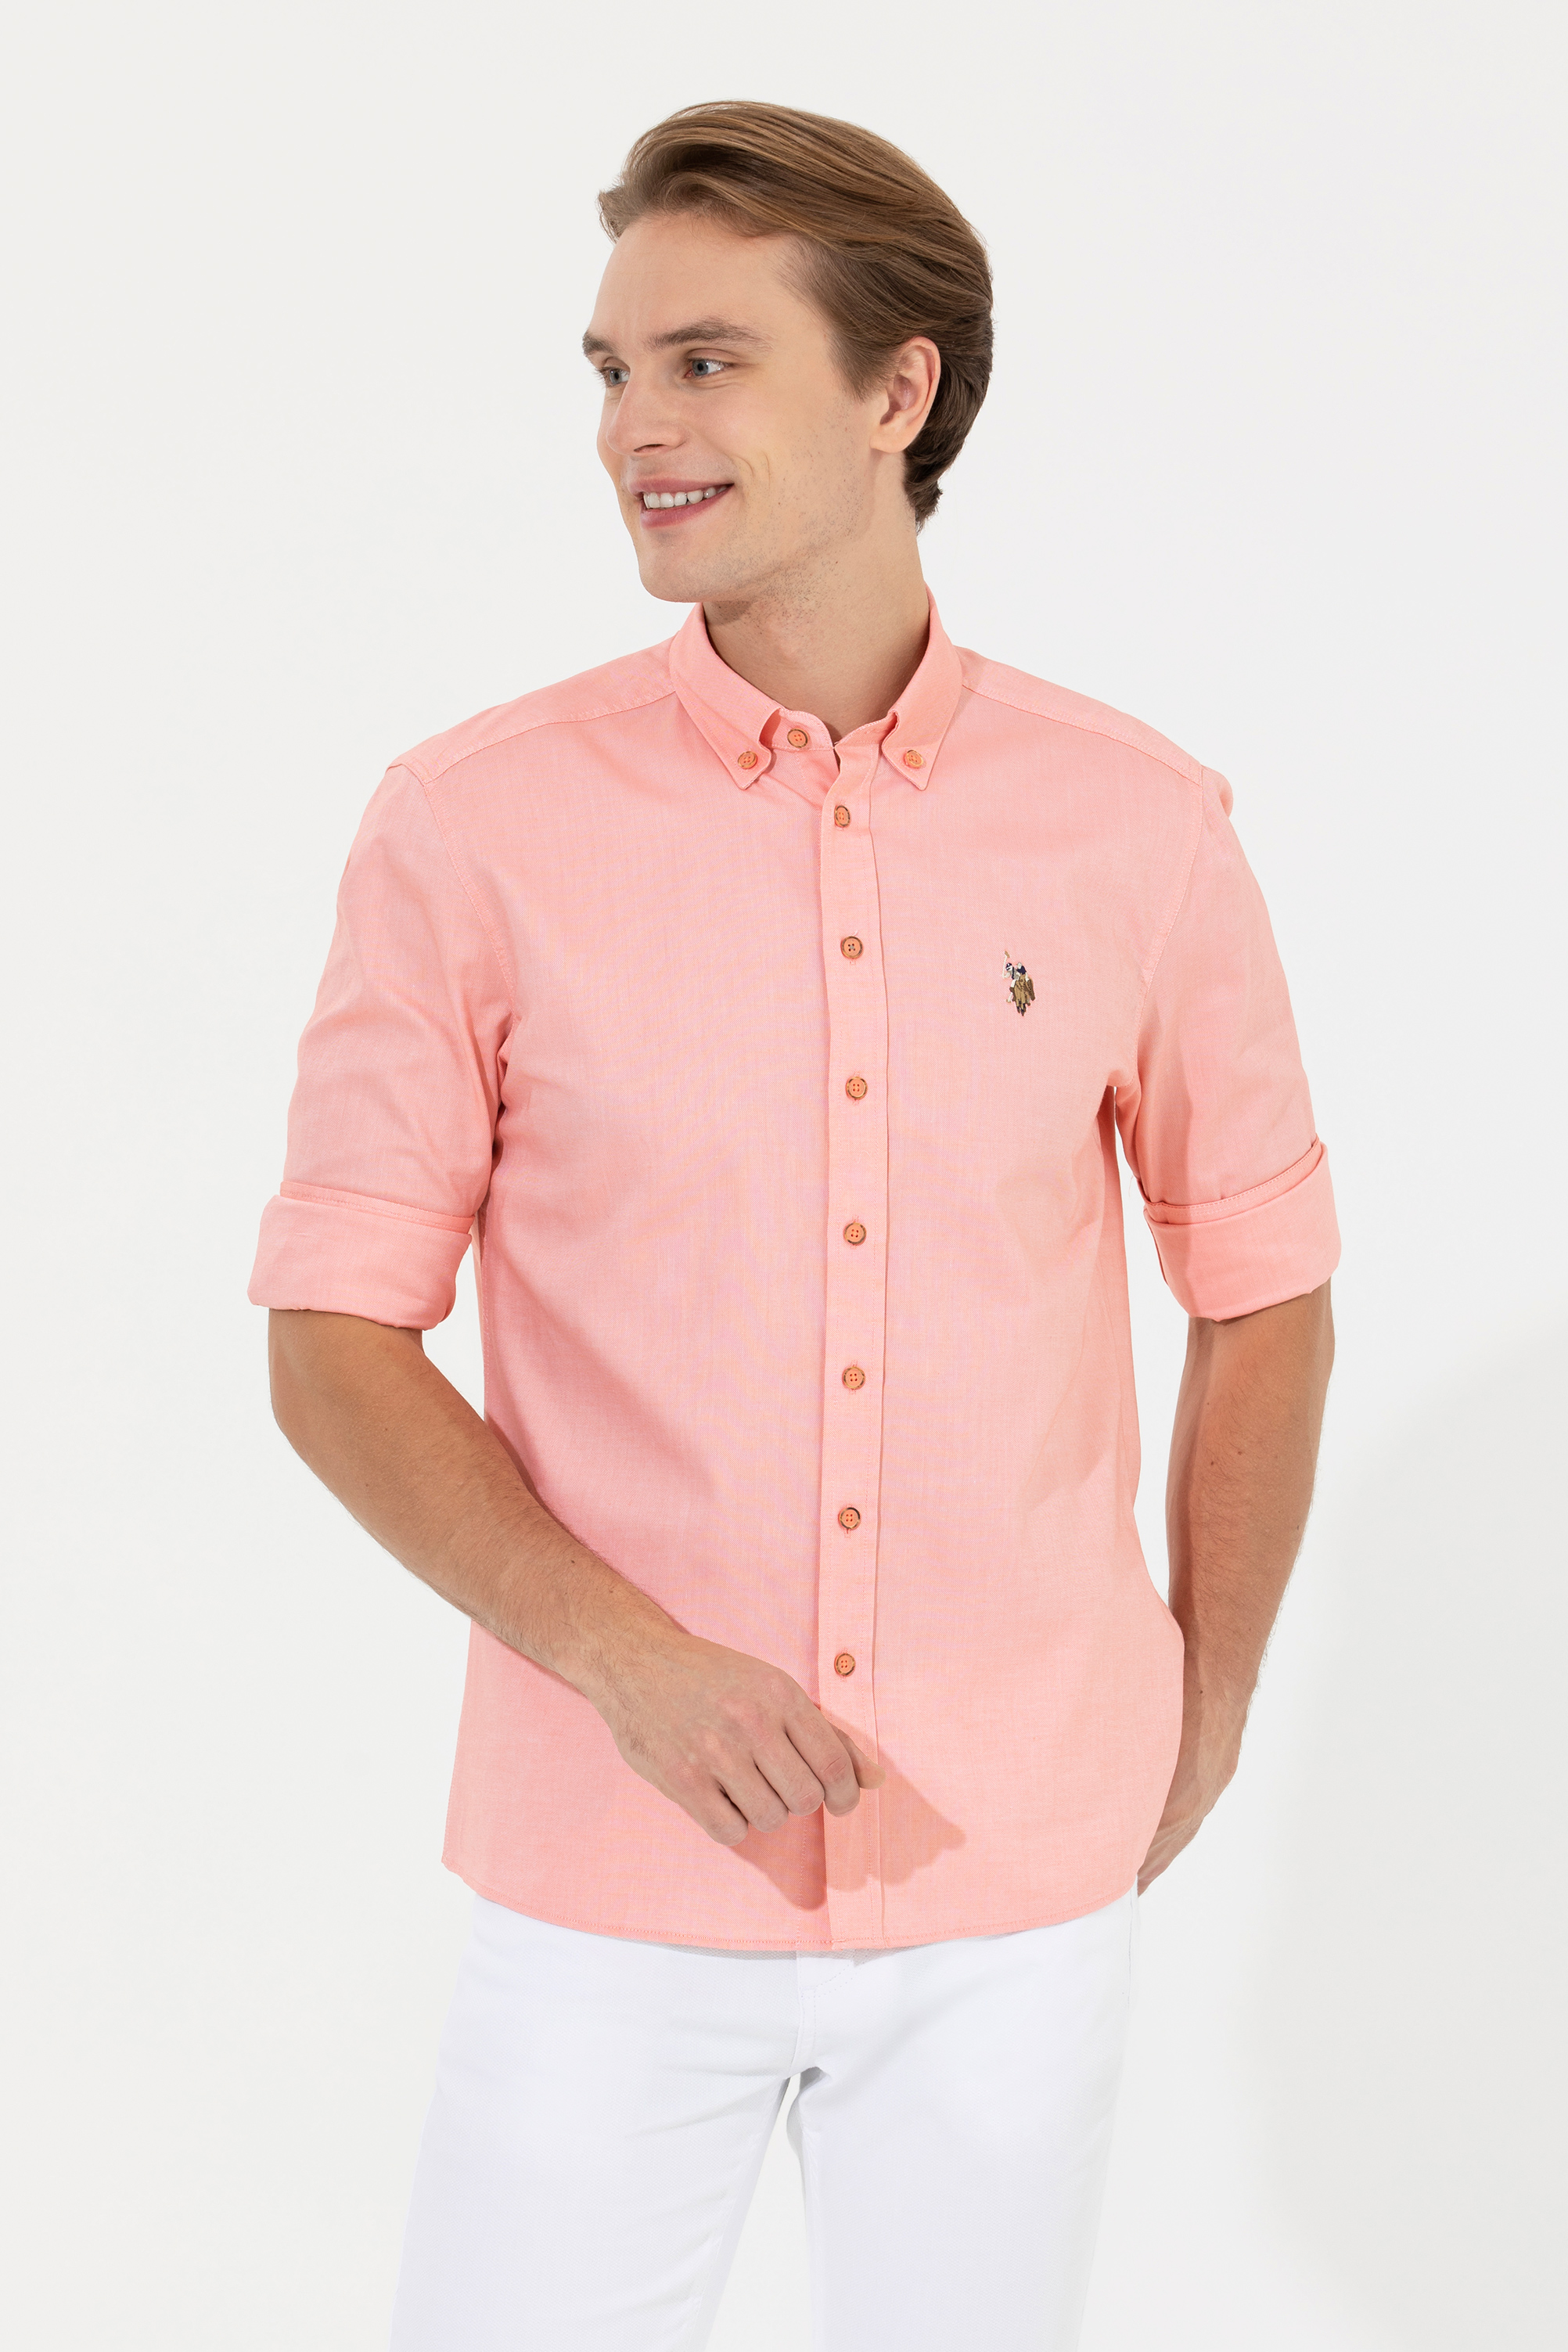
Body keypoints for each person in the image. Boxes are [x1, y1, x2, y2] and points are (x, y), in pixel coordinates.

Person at [251, 100, 1338, 2352]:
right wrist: (629, 1666)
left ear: (895, 391)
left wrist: (1209, 1694)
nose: (632, 429)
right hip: (609, 1875)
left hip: (1016, 1883)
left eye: (705, 361)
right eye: (611, 369)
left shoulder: (1137, 830)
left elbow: (1260, 1285)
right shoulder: (469, 828)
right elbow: (333, 1338)